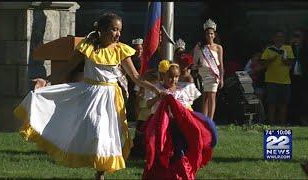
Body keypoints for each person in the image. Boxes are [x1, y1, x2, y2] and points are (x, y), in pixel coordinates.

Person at [13, 12, 166, 180]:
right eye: (114, 29)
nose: (118, 34)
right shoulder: (88, 47)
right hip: (90, 94)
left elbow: (136, 77)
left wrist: (157, 90)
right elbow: (66, 69)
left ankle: (100, 173)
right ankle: (95, 166)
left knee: (105, 135)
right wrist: (46, 81)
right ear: (102, 30)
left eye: (119, 30)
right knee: (95, 130)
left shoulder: (121, 50)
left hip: (111, 99)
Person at [142, 63, 217, 180]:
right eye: (170, 77)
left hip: (177, 126)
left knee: (179, 149)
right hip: (161, 125)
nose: (174, 80)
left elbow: (186, 109)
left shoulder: (182, 90)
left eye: (176, 77)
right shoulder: (157, 88)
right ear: (163, 76)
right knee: (160, 150)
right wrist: (159, 97)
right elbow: (147, 104)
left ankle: (180, 173)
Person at [261, 30, 294, 125]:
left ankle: (282, 124)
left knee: (283, 104)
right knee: (272, 104)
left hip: (285, 81)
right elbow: (263, 64)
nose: (279, 38)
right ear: (274, 38)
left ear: (284, 38)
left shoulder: (288, 48)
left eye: (281, 37)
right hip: (271, 81)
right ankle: (271, 124)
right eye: (277, 36)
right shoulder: (269, 50)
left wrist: (285, 60)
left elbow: (291, 62)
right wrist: (271, 60)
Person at [193, 18, 224, 120]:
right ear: (205, 35)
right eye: (207, 33)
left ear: (214, 35)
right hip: (203, 74)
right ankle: (204, 119)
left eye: (211, 33)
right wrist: (198, 65)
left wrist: (222, 78)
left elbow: (220, 64)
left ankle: (210, 120)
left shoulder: (219, 47)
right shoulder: (200, 47)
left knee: (212, 96)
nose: (209, 35)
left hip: (213, 74)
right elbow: (194, 62)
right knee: (205, 97)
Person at [129, 69, 159, 159]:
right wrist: (137, 113)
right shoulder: (142, 92)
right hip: (143, 116)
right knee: (139, 135)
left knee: (150, 136)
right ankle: (137, 153)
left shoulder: (157, 90)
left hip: (152, 116)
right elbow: (140, 103)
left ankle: (148, 152)